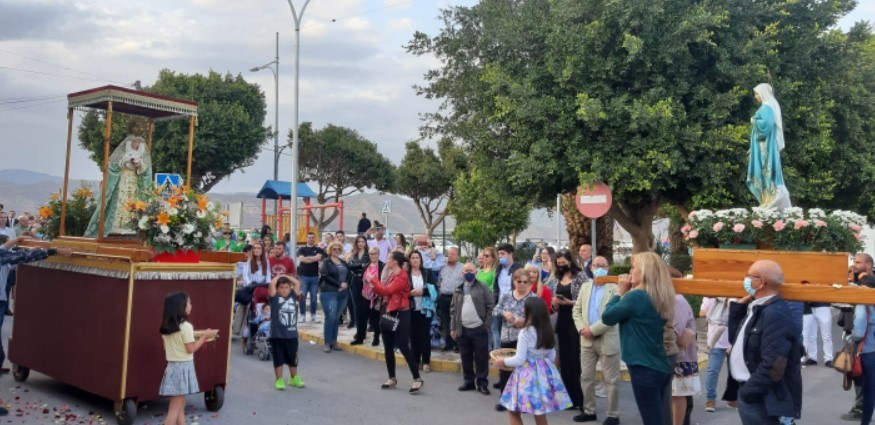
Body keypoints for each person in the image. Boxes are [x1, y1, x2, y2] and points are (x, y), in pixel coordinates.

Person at [602, 252, 676, 425]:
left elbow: (607, 317)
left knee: (652, 419)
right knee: (658, 417)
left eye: (634, 267)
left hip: (644, 367)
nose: (630, 270)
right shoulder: (659, 295)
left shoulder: (637, 297)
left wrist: (619, 293)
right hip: (658, 364)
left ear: (644, 272)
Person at [728, 260, 802, 424]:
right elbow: (736, 341)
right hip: (751, 392)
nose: (745, 279)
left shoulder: (775, 313)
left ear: (761, 282)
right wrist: (738, 308)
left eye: (749, 275)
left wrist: (749, 392)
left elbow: (774, 363)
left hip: (760, 397)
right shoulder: (757, 308)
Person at [495, 297, 573, 425]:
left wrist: (503, 361)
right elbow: (552, 355)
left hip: (526, 375)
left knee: (513, 411)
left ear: (529, 312)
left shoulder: (525, 333)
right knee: (539, 412)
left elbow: (520, 359)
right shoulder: (547, 330)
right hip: (543, 374)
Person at [571, 255, 620, 425]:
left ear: (608, 268)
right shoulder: (585, 287)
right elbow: (576, 310)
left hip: (607, 339)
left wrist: (592, 330)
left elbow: (612, 315)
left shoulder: (615, 288)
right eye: (596, 265)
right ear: (590, 268)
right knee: (586, 377)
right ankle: (589, 410)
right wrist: (581, 329)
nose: (599, 267)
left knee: (611, 381)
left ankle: (613, 414)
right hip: (586, 340)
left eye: (603, 265)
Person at [367, 251, 424, 393]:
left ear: (395, 261)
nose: (386, 260)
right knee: (387, 347)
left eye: (388, 258)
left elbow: (387, 290)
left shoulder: (402, 275)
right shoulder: (392, 274)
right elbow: (383, 291)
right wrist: (373, 285)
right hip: (389, 311)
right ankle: (392, 377)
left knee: (404, 346)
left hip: (401, 313)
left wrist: (373, 280)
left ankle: (417, 379)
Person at [158, 292, 217, 425]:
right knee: (174, 409)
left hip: (172, 367)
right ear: (181, 306)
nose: (191, 305)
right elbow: (190, 349)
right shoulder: (186, 327)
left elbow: (167, 348)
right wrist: (204, 337)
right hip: (183, 368)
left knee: (179, 405)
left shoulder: (167, 328)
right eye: (189, 303)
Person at [85, 126, 153, 237]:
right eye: (134, 140)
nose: (135, 143)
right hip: (122, 182)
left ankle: (134, 228)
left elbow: (148, 171)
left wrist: (140, 164)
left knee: (134, 206)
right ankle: (115, 228)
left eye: (138, 141)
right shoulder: (121, 152)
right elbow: (112, 166)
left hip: (135, 184)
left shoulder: (143, 154)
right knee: (120, 204)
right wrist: (124, 161)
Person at [494, 268, 536, 411]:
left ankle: (522, 401)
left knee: (523, 370)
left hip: (525, 339)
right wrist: (505, 313)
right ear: (514, 282)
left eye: (525, 282)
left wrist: (524, 322)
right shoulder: (506, 295)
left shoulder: (533, 298)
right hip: (507, 336)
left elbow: (539, 319)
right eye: (519, 282)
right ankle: (504, 400)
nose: (522, 285)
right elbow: (495, 310)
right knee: (505, 368)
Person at [551, 249, 587, 411]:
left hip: (576, 322)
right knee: (565, 362)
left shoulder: (580, 277)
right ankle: (570, 398)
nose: (561, 265)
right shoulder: (557, 277)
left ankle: (582, 399)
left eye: (563, 262)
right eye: (558, 263)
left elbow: (585, 300)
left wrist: (569, 303)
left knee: (576, 361)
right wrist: (556, 303)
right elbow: (553, 300)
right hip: (562, 321)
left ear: (570, 261)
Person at [452, 261, 494, 395]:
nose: (468, 273)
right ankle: (469, 381)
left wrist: (486, 324)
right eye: (466, 271)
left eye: (471, 271)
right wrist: (453, 328)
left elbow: (490, 306)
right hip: (463, 328)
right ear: (462, 273)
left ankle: (482, 383)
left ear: (476, 273)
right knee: (465, 356)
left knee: (481, 358)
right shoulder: (458, 289)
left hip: (479, 328)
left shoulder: (483, 287)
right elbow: (453, 310)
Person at [747, 83, 791, 210]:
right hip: (762, 145)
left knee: (764, 170)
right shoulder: (769, 106)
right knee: (763, 171)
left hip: (764, 147)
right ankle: (767, 199)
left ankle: (770, 198)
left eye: (756, 93)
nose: (755, 97)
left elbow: (765, 126)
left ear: (762, 93)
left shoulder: (767, 107)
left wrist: (753, 120)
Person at [700, 297, 739, 412]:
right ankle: (710, 399)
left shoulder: (737, 298)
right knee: (713, 371)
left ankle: (732, 398)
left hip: (734, 340)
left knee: (735, 373)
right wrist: (721, 303)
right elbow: (702, 313)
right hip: (717, 341)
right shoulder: (711, 296)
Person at [267, 275, 305, 390]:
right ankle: (279, 379)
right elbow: (271, 284)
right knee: (278, 358)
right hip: (277, 335)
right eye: (282, 287)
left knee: (292, 358)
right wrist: (279, 276)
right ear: (278, 289)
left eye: (287, 287)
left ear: (290, 288)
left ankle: (294, 378)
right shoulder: (274, 298)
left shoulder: (293, 296)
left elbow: (297, 283)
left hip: (292, 335)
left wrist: (286, 276)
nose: (284, 290)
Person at [671, 294, 700, 425]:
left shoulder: (677, 301)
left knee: (678, 395)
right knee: (676, 395)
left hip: (681, 358)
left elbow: (675, 330)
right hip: (677, 356)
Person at [408, 250, 438, 373]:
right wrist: (410, 293)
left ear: (421, 260)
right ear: (409, 260)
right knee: (414, 336)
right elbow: (402, 289)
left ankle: (426, 361)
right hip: (411, 308)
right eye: (413, 257)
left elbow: (434, 287)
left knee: (425, 335)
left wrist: (423, 292)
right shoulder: (406, 273)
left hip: (425, 309)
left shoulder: (427, 272)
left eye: (417, 257)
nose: (415, 260)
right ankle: (416, 360)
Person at [319, 241, 351, 353]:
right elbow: (325, 275)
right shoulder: (326, 262)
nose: (336, 251)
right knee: (330, 317)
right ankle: (327, 343)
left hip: (343, 293)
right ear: (330, 250)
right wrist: (339, 284)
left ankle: (334, 341)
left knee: (336, 318)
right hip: (329, 292)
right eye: (334, 249)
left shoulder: (343, 261)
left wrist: (346, 284)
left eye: (338, 249)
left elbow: (349, 274)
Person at [853, 273, 875, 424]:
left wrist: (850, 338)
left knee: (869, 391)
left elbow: (859, 332)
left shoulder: (863, 303)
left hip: (867, 350)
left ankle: (865, 422)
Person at [494, 244, 524, 352]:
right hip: (500, 306)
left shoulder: (519, 268)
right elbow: (496, 287)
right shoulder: (498, 268)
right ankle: (499, 354)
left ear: (511, 254)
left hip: (514, 306)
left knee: (514, 335)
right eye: (499, 254)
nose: (500, 256)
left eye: (503, 254)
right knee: (498, 332)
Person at [438, 247, 464, 352]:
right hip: (444, 297)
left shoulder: (462, 267)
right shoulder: (442, 267)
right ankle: (448, 343)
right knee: (446, 320)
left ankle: (457, 344)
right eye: (449, 253)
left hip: (456, 297)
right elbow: (439, 281)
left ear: (458, 256)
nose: (450, 255)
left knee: (457, 320)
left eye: (453, 254)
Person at [348, 236, 371, 344]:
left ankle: (362, 332)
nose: (361, 243)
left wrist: (355, 266)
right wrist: (358, 265)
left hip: (364, 283)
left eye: (363, 241)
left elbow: (365, 267)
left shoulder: (368, 254)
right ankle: (359, 332)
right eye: (359, 242)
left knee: (364, 309)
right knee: (356, 308)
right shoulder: (353, 253)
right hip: (354, 282)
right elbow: (349, 266)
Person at [297, 232, 324, 323]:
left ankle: (313, 315)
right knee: (302, 296)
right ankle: (302, 315)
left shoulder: (318, 249)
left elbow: (319, 258)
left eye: (313, 237)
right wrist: (313, 258)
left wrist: (308, 258)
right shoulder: (302, 249)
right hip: (303, 276)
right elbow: (301, 259)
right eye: (309, 237)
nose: (311, 239)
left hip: (314, 276)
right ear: (306, 239)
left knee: (314, 297)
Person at [362, 247, 385, 347]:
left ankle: (376, 338)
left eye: (374, 253)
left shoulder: (382, 265)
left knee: (376, 318)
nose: (372, 256)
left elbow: (384, 280)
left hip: (377, 295)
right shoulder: (367, 265)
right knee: (368, 317)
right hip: (366, 295)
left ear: (378, 254)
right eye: (371, 254)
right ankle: (362, 335)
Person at [801, 299, 833, 367]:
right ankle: (812, 357)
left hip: (823, 306)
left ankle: (828, 358)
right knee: (811, 335)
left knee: (826, 335)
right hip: (810, 307)